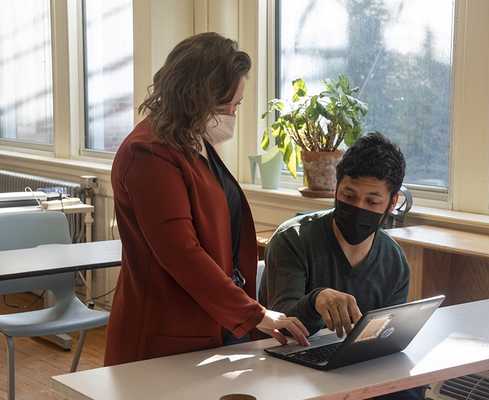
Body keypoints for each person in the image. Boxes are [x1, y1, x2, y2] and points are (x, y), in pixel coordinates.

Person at [105, 32, 308, 366]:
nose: (233, 112)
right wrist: (254, 313)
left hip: (210, 320)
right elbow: (182, 254)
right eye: (230, 104)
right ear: (197, 97)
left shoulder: (192, 141)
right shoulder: (149, 153)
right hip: (167, 332)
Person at [259, 132, 425, 400]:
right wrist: (316, 301)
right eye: (349, 195)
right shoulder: (294, 239)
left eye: (372, 201)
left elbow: (384, 342)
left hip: (357, 373)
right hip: (288, 373)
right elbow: (282, 328)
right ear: (336, 189)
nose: (358, 208)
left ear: (392, 203)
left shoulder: (394, 261)